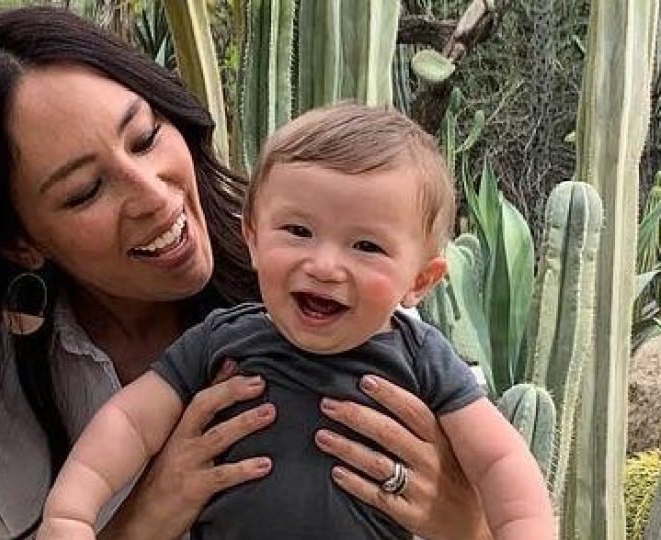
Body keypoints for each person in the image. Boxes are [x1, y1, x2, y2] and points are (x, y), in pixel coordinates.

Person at [0, 7, 493, 540]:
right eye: (84, 192)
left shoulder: (332, 297)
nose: (153, 196)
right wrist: (138, 522)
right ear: (19, 242)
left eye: (144, 139)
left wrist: (461, 523)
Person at [37, 103, 554, 540]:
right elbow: (129, 422)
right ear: (254, 238)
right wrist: (71, 514)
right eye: (298, 230)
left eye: (366, 246)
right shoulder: (223, 338)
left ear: (420, 280)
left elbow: (500, 461)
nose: (324, 265)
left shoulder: (422, 357)